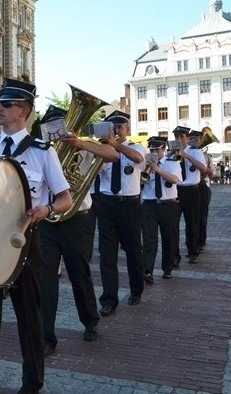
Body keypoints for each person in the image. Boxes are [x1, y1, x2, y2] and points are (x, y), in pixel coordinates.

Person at [0, 78, 72, 393]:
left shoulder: (43, 152)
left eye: (7, 104)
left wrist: (46, 211)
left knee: (29, 318)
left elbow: (64, 198)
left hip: (26, 242)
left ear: (24, 111)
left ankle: (32, 383)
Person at [38, 105, 119, 357]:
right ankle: (46, 337)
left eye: (59, 127)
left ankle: (90, 322)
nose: (55, 133)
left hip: (77, 219)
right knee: (45, 279)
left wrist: (81, 143)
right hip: (48, 219)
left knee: (79, 273)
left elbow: (113, 155)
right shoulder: (39, 151)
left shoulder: (85, 147)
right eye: (50, 128)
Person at [96, 110, 146, 316]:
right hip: (107, 203)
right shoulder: (103, 149)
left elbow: (137, 159)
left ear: (127, 129)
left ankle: (136, 289)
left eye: (120, 127)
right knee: (107, 254)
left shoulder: (136, 147)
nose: (116, 130)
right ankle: (109, 300)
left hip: (129, 204)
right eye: (113, 127)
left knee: (133, 250)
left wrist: (118, 147)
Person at [141, 137, 182, 283]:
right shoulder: (144, 164)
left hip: (168, 204)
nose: (153, 152)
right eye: (151, 150)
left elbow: (175, 180)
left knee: (169, 238)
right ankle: (147, 271)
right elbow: (139, 182)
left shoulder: (172, 163)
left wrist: (157, 170)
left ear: (163, 149)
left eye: (156, 150)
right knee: (149, 239)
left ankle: (167, 269)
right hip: (149, 204)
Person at [174, 127, 208, 265]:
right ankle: (174, 256)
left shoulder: (195, 151)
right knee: (172, 225)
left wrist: (186, 156)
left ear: (187, 138)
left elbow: (203, 168)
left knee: (192, 222)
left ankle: (193, 251)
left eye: (182, 136)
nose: (179, 139)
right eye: (177, 137)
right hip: (177, 190)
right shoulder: (171, 152)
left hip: (192, 190)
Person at [198, 148, 214, 252]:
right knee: (191, 217)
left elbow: (212, 173)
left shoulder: (206, 157)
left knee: (203, 216)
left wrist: (203, 168)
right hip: (191, 186)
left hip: (204, 186)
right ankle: (192, 240)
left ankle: (201, 240)